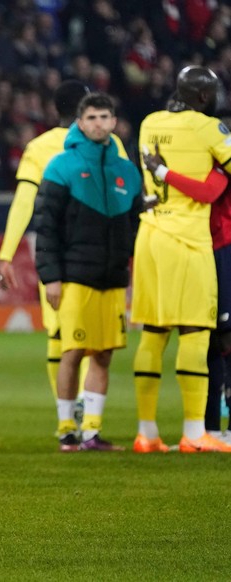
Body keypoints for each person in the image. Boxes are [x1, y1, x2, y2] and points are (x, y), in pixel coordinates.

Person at [0, 81, 129, 418]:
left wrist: (6, 253)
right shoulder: (111, 145)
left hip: (62, 259)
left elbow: (24, 202)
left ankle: (67, 415)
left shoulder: (39, 147)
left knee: (62, 339)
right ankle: (86, 412)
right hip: (101, 260)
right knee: (97, 343)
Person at [34, 92, 142, 452]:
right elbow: (46, 226)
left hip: (112, 278)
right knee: (73, 350)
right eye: (92, 117)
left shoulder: (127, 172)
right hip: (74, 276)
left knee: (105, 353)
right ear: (80, 123)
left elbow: (134, 228)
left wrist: (132, 278)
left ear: (114, 122)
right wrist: (50, 276)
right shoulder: (60, 166)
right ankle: (67, 428)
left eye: (104, 117)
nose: (98, 123)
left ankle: (92, 431)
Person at [133, 65, 231, 453]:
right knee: (194, 332)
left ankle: (146, 433)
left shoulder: (149, 122)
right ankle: (194, 434)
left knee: (153, 334)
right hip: (189, 241)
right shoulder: (208, 129)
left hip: (151, 235)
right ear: (205, 97)